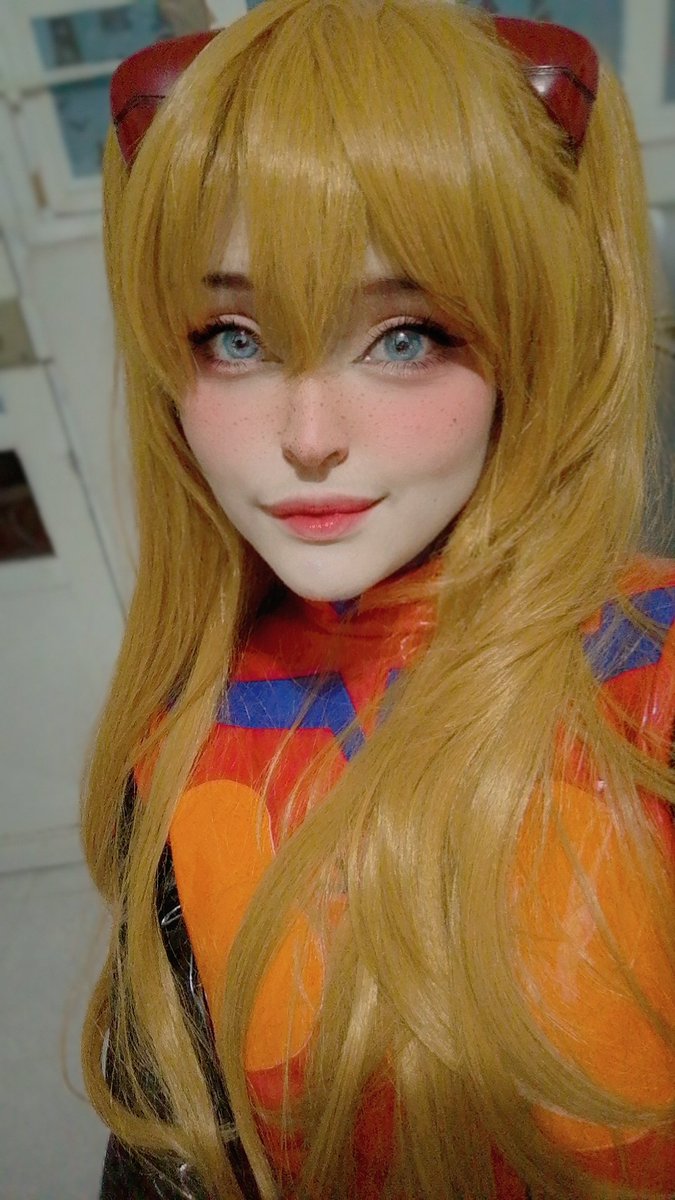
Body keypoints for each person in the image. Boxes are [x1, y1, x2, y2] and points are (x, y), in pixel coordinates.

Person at [81, 2, 675, 1196]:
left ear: (531, 334)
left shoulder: (648, 682)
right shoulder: (181, 736)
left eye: (406, 337)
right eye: (234, 337)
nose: (308, 437)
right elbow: (174, 1134)